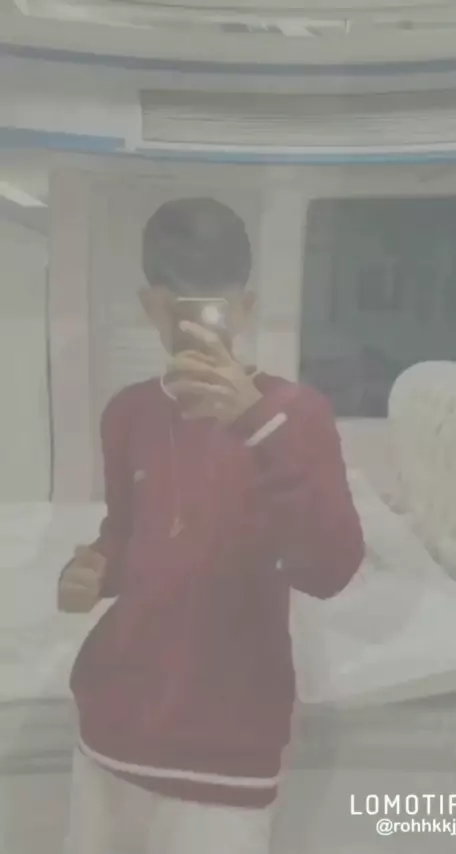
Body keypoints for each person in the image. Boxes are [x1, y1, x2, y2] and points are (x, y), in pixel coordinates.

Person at [58, 197, 364, 854]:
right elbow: (125, 531)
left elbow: (331, 567)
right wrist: (92, 569)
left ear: (244, 310)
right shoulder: (128, 414)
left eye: (214, 310)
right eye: (179, 310)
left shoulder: (296, 414)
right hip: (110, 726)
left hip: (226, 747)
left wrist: (256, 421)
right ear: (151, 307)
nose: (198, 328)